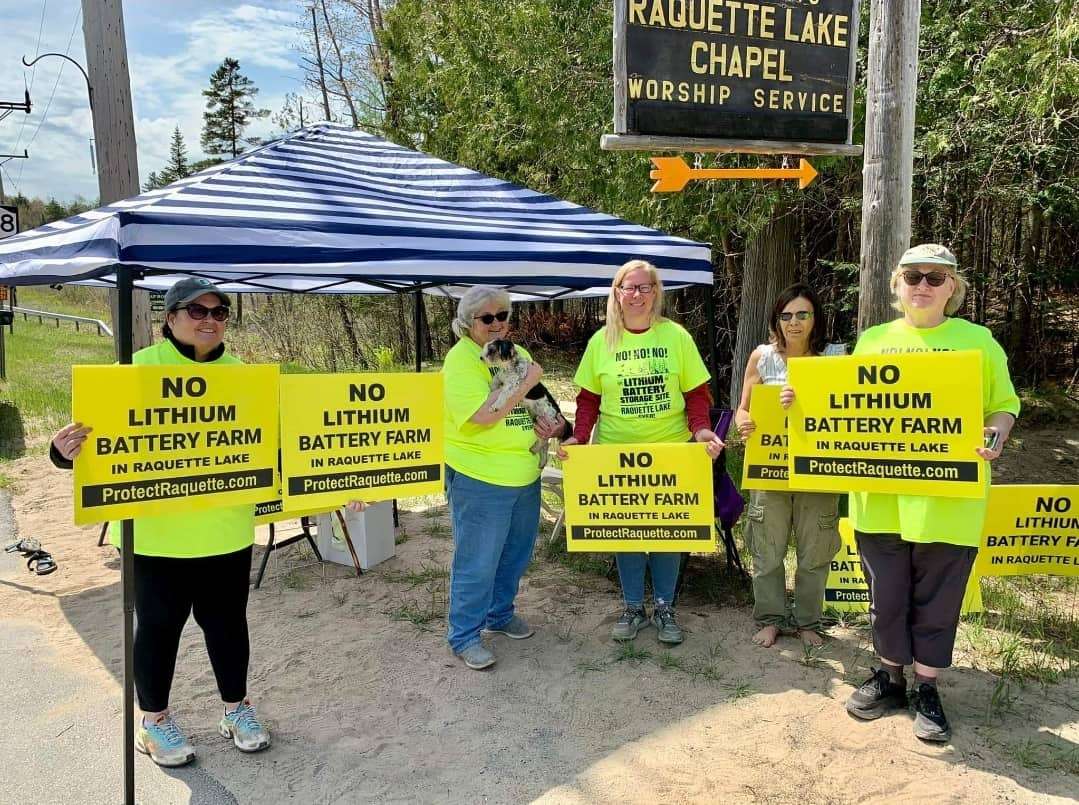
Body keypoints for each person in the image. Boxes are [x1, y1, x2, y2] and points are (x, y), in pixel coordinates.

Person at [781, 244, 1019, 742]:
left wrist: (994, 437)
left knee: (937, 597)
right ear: (897, 284)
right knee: (886, 595)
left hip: (949, 501)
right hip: (879, 498)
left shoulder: (979, 341)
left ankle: (927, 688)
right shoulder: (872, 340)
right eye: (914, 276)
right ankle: (890, 677)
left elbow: (1002, 405)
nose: (924, 286)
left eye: (936, 278)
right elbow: (844, 405)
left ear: (953, 287)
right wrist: (800, 399)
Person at [50, 277, 272, 768]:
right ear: (169, 318)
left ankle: (237, 709)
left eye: (220, 312)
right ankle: (153, 722)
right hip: (157, 538)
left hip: (227, 532)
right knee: (157, 629)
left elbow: (273, 446)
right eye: (197, 310)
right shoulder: (133, 371)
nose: (210, 319)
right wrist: (62, 452)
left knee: (228, 627)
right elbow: (96, 446)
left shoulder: (246, 377)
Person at [560, 259, 724, 646]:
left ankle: (665, 607)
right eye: (627, 288)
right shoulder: (601, 341)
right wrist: (579, 439)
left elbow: (696, 394)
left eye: (644, 288)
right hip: (616, 453)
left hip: (671, 452)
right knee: (626, 532)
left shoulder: (676, 337)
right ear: (616, 294)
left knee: (668, 533)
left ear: (655, 294)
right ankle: (633, 606)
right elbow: (587, 400)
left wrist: (700, 429)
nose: (635, 295)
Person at [442, 286, 570, 670]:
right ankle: (464, 635)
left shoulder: (518, 353)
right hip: (480, 477)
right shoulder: (461, 360)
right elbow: (484, 414)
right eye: (487, 318)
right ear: (468, 323)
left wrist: (550, 426)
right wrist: (525, 383)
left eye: (503, 316)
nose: (497, 324)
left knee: (515, 554)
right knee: (477, 560)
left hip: (523, 474)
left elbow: (534, 402)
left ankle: (499, 614)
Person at [735, 283, 844, 648]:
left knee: (815, 551)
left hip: (819, 469)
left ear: (816, 318)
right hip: (771, 467)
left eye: (802, 314)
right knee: (768, 549)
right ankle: (770, 618)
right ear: (776, 320)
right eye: (786, 316)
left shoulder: (835, 356)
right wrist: (743, 421)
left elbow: (847, 411)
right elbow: (744, 408)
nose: (793, 323)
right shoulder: (761, 357)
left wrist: (806, 400)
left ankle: (808, 622)